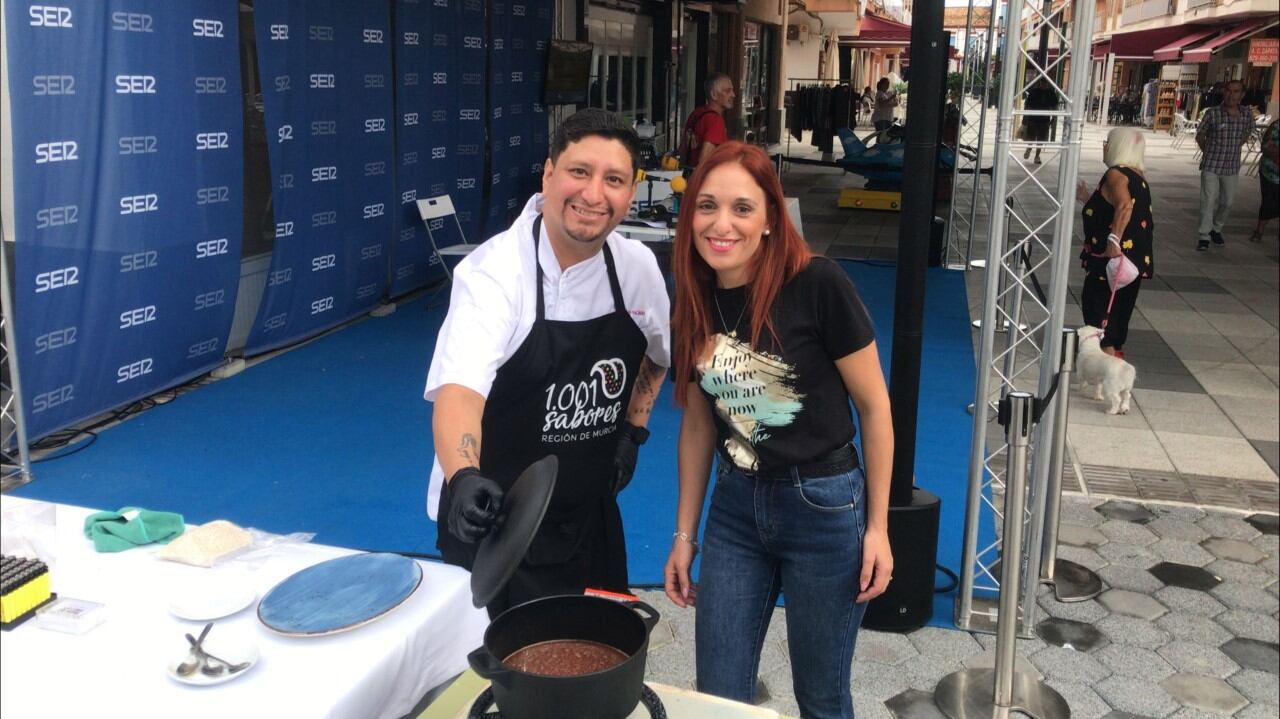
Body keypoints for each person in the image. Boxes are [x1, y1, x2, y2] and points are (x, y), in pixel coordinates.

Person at [662, 141, 893, 719]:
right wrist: (684, 535)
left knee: (821, 697)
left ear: (770, 217)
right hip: (735, 511)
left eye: (742, 208)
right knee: (717, 699)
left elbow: (874, 408)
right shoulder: (693, 296)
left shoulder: (817, 283)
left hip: (824, 508)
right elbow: (699, 424)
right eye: (707, 206)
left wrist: (878, 528)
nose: (722, 224)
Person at [425, 109, 671, 617]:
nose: (594, 194)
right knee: (501, 658)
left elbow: (656, 356)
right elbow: (459, 391)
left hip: (587, 517)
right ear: (548, 175)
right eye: (579, 172)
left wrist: (633, 432)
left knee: (600, 646)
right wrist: (464, 476)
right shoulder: (495, 274)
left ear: (631, 192)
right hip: (496, 522)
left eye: (614, 180)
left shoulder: (638, 270)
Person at [1076, 127, 1154, 357]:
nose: (1105, 146)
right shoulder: (1137, 176)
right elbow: (1112, 210)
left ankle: (1109, 365)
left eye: (1108, 142)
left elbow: (1124, 207)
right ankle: (1114, 362)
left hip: (1110, 261)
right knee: (1117, 315)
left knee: (1100, 318)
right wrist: (1087, 198)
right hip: (1131, 264)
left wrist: (1113, 241)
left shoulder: (1115, 174)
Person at [1195, 80, 1255, 251]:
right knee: (1208, 200)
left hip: (1231, 165)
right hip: (1212, 164)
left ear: (1242, 94)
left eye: (1236, 91)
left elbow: (1248, 132)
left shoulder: (1246, 114)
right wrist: (1208, 151)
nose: (1231, 95)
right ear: (1224, 92)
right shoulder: (1213, 113)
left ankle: (1217, 228)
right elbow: (1200, 135)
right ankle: (1204, 235)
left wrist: (1237, 145)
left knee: (1227, 201)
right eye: (1228, 90)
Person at [682, 73, 735, 167]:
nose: (733, 95)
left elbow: (683, 151)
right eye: (728, 91)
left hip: (688, 173)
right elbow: (704, 160)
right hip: (702, 175)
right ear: (713, 95)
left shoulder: (696, 114)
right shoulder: (716, 121)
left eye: (732, 90)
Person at [1250, 117, 1279, 243]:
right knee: (1269, 202)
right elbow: (1265, 147)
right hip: (1271, 172)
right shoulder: (1276, 126)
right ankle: (1259, 231)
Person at [1022, 78, 1057, 164]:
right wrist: (1025, 117)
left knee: (1041, 139)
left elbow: (1054, 106)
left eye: (1045, 83)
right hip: (1034, 118)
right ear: (1040, 83)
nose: (1044, 85)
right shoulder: (1034, 92)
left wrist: (1053, 118)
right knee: (1032, 137)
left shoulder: (1050, 93)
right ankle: (1029, 149)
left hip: (1044, 120)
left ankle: (1036, 156)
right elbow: (1027, 105)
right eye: (1042, 83)